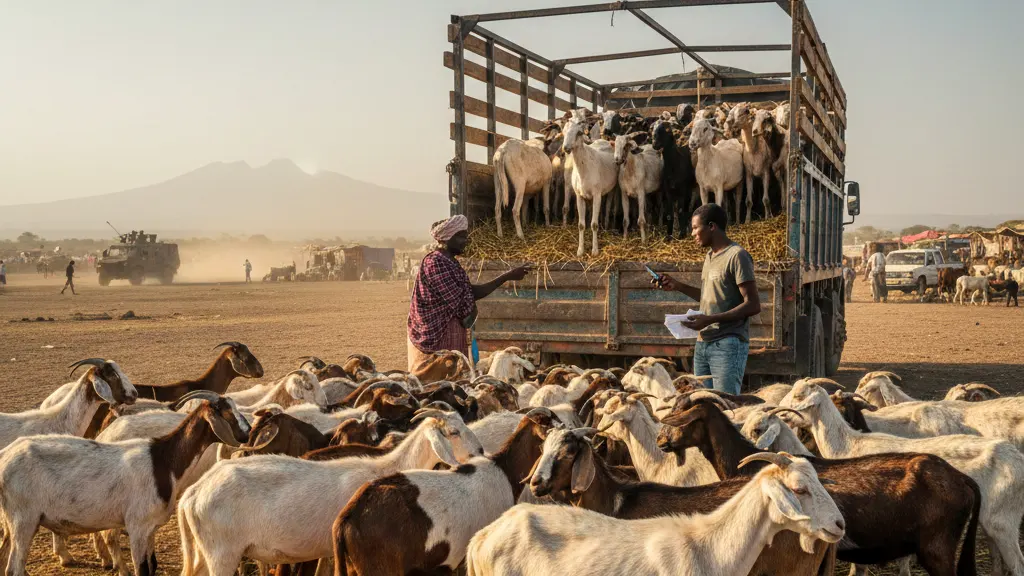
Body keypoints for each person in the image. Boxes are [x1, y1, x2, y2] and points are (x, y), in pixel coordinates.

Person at [654, 203, 761, 395]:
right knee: (704, 406)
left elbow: (753, 305)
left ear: (711, 226)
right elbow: (708, 297)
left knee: (725, 405)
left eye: (696, 228)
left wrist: (710, 319)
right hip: (703, 343)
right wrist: (677, 286)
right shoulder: (710, 256)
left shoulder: (737, 256)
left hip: (727, 344)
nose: (693, 233)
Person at [407, 215, 530, 377]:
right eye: (461, 237)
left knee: (455, 379)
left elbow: (469, 293)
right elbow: (460, 300)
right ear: (448, 238)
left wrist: (507, 276)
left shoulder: (449, 261)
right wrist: (506, 277)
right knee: (440, 381)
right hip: (437, 336)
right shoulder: (436, 263)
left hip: (449, 332)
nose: (466, 241)